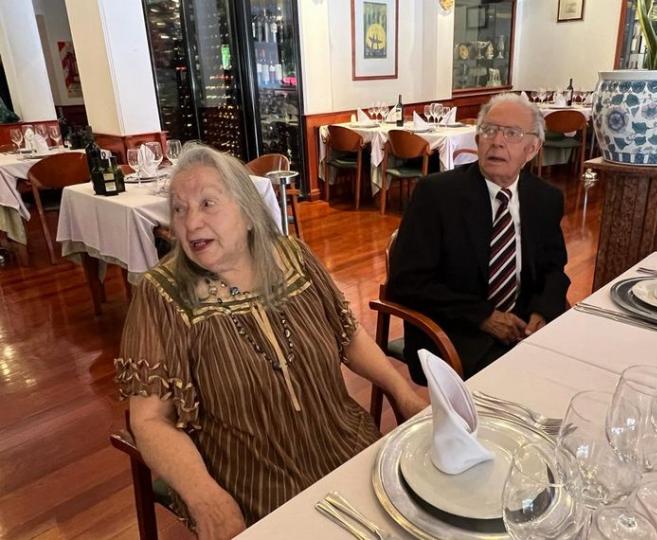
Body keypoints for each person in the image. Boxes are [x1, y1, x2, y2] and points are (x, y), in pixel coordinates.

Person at [114, 144, 427, 539]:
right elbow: (148, 420)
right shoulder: (162, 293)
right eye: (179, 209)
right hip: (247, 478)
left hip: (343, 442)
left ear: (247, 212)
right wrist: (204, 496)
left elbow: (349, 336)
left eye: (208, 203)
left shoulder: (293, 256)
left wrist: (403, 391)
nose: (191, 222)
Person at [387, 93, 570, 384]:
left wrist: (542, 312)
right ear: (477, 140)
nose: (497, 141)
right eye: (489, 130)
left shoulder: (545, 198)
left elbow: (554, 269)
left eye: (511, 133)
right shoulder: (436, 195)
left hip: (521, 325)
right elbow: (407, 283)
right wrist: (484, 317)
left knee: (573, 369)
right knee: (522, 382)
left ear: (532, 148)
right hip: (454, 331)